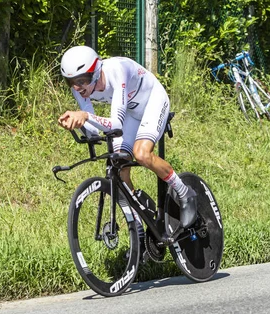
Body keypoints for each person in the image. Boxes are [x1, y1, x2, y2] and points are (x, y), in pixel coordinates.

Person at [57, 45, 197, 229]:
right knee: (119, 165)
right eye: (71, 82)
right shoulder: (79, 89)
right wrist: (79, 124)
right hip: (131, 111)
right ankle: (139, 228)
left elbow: (115, 124)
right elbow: (94, 132)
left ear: (96, 72)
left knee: (142, 154)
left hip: (152, 101)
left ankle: (185, 192)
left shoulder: (117, 71)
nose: (77, 87)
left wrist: (85, 116)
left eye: (82, 80)